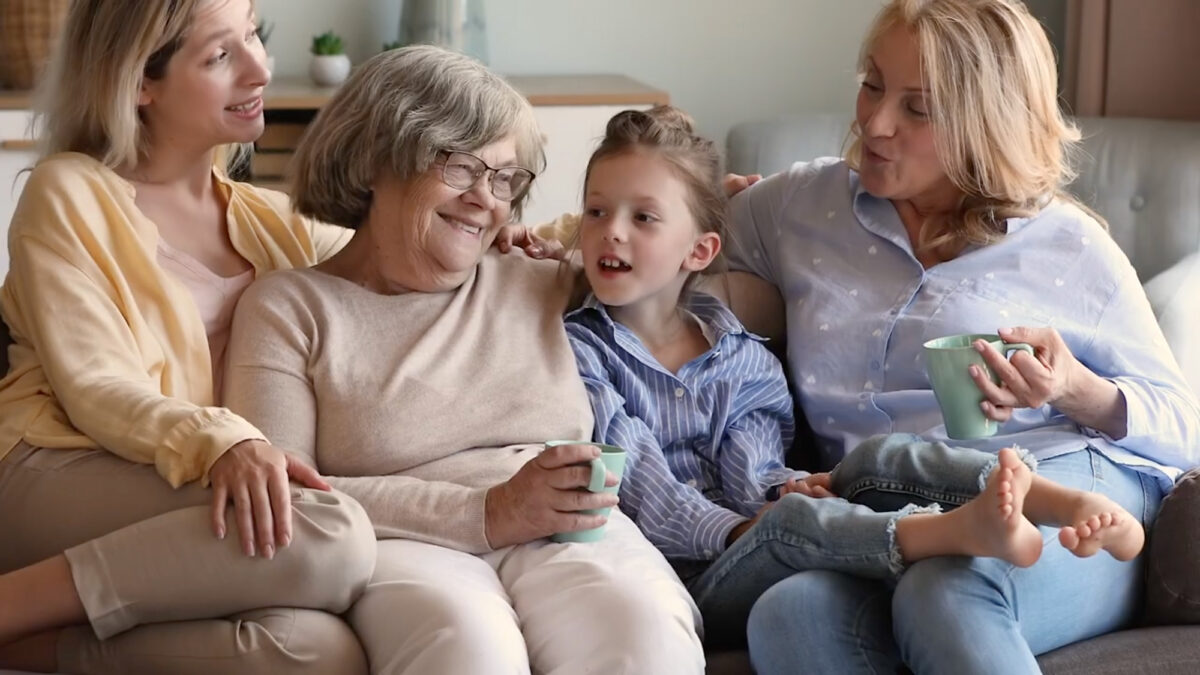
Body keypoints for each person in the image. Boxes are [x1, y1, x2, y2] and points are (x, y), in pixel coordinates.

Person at [719, 0, 1200, 672]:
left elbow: (1184, 425)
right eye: (871, 83)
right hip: (898, 505)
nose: (875, 123)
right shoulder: (797, 206)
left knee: (949, 584)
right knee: (790, 612)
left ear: (986, 122)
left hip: (1065, 488)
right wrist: (535, 245)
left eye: (918, 108)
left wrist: (1075, 388)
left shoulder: (1067, 244)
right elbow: (648, 235)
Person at [557, 104, 1149, 649]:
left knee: (875, 458)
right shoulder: (579, 352)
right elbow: (643, 489)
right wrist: (745, 527)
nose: (612, 231)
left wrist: (784, 488)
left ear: (701, 250)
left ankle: (1061, 500)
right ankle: (951, 532)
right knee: (791, 524)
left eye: (644, 218)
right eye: (597, 211)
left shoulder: (739, 353)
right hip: (696, 573)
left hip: (773, 533)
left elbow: (754, 464)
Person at [221, 45, 704, 675]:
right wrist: (488, 513)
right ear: (374, 159)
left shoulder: (540, 275)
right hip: (405, 544)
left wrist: (724, 204)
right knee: (469, 647)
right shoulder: (289, 308)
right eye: (459, 166)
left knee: (644, 632)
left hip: (570, 525)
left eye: (504, 179)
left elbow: (682, 262)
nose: (486, 200)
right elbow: (290, 498)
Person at [0, 1, 376, 673]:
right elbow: (96, 387)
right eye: (221, 55)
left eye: (254, 36)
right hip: (50, 461)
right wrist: (225, 438)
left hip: (181, 476)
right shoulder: (70, 193)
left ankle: (38, 644)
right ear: (140, 83)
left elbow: (390, 257)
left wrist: (521, 240)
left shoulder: (272, 222)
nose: (261, 67)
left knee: (322, 651)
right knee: (333, 535)